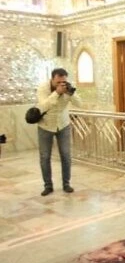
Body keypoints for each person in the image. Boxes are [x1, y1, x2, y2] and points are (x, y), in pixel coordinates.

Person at [36, 68, 82, 196]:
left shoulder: (67, 88)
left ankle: (66, 184)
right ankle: (48, 185)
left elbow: (80, 104)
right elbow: (43, 106)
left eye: (64, 81)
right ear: (52, 79)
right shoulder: (43, 88)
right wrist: (56, 93)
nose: (61, 84)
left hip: (63, 125)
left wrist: (72, 93)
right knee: (45, 157)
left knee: (66, 155)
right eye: (58, 82)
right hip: (45, 125)